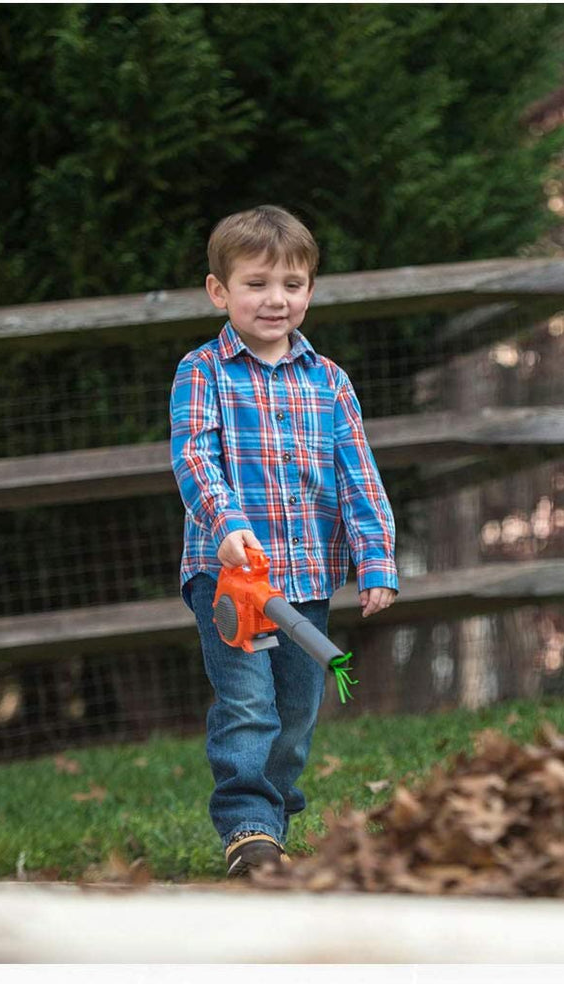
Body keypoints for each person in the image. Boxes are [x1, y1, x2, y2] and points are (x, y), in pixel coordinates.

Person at [170, 204, 398, 878]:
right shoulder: (203, 371)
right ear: (220, 291)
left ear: (310, 291)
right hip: (230, 579)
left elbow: (359, 474)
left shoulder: (329, 381)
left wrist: (375, 557)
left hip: (305, 579)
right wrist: (226, 522)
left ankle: (274, 817)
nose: (276, 299)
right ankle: (248, 828)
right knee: (247, 701)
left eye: (292, 284)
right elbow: (193, 456)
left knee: (296, 708)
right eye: (257, 283)